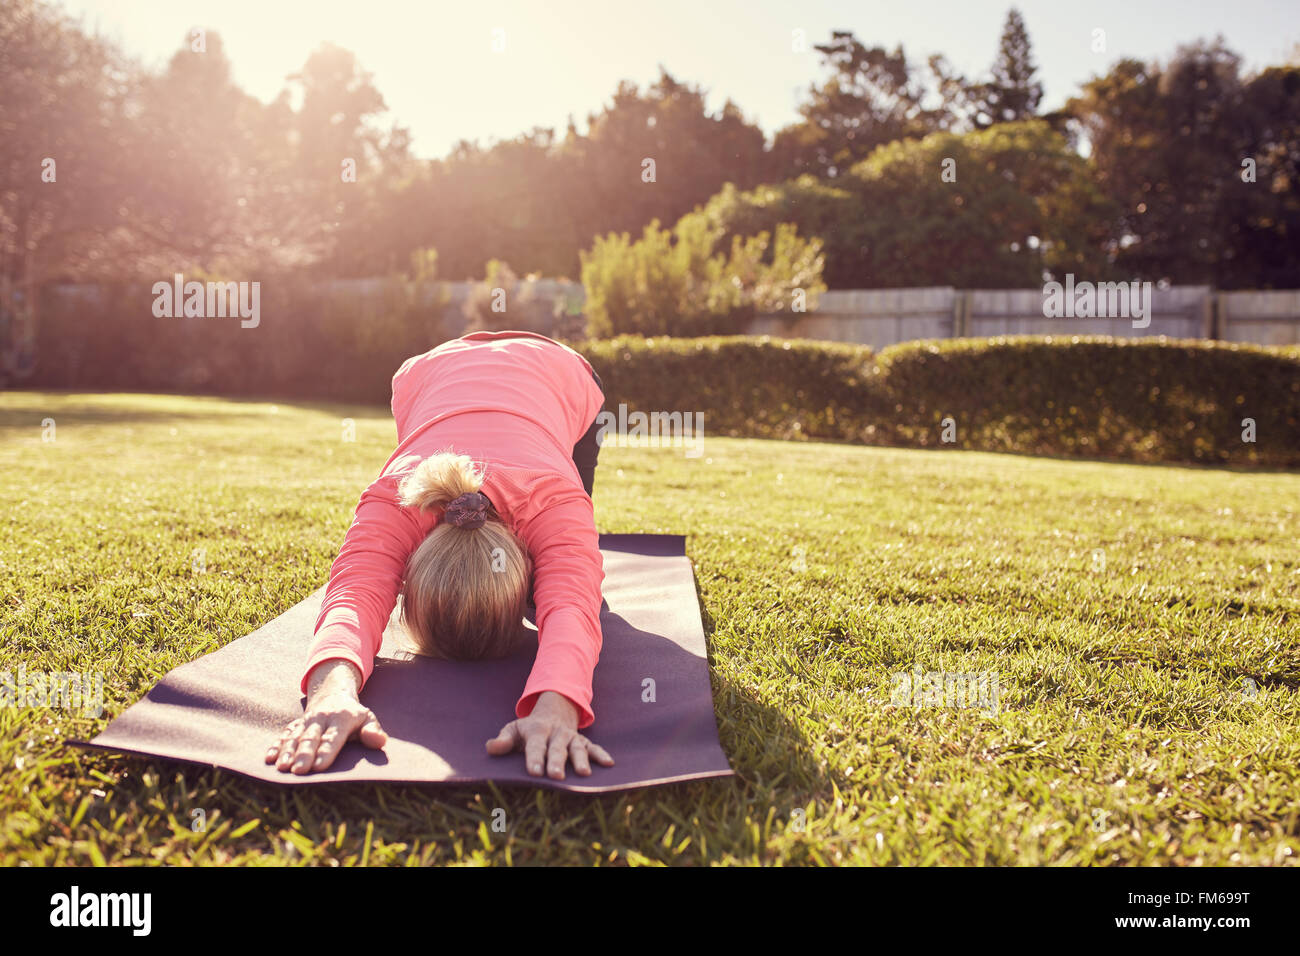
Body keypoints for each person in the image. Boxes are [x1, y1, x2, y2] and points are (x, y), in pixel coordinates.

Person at [264, 330, 614, 780]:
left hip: (561, 372)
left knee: (570, 568)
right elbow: (356, 593)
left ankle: (546, 570)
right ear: (408, 571)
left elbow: (572, 606)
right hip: (432, 374)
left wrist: (558, 705)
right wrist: (331, 693)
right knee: (566, 563)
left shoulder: (556, 501)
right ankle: (551, 565)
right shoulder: (399, 496)